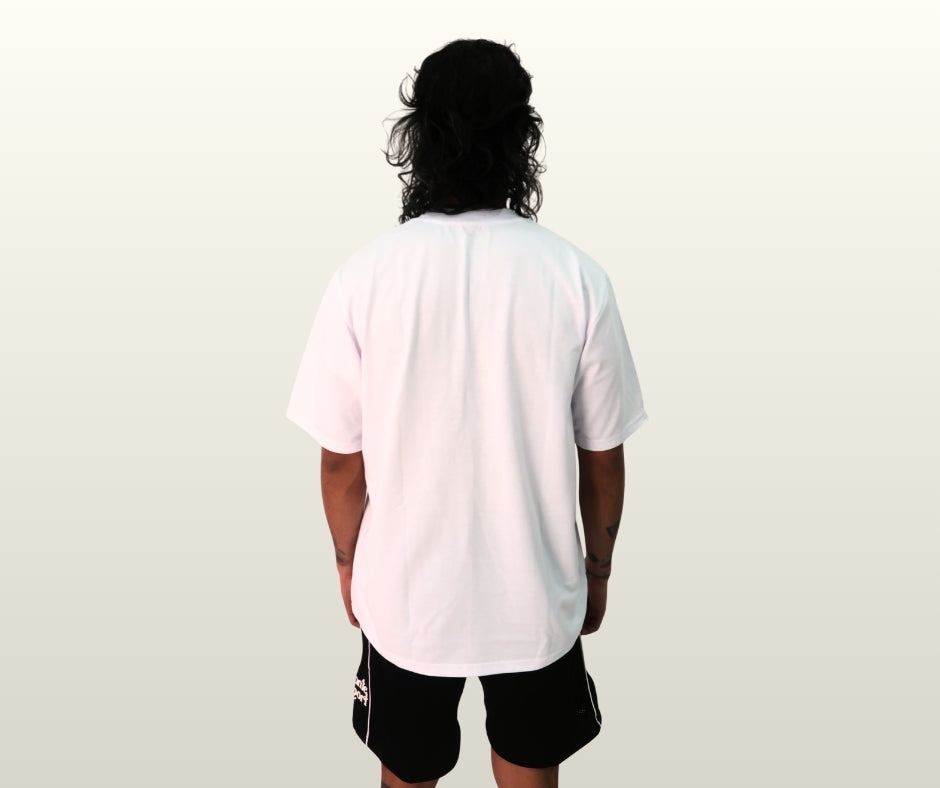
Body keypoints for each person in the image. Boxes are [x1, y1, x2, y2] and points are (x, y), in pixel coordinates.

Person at [286, 38, 649, 788]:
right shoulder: (575, 277)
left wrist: (349, 564)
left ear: (418, 136)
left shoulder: (363, 279)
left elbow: (340, 463)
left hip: (406, 602)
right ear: (523, 138)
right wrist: (598, 571)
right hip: (536, 600)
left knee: (407, 774)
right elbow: (603, 457)